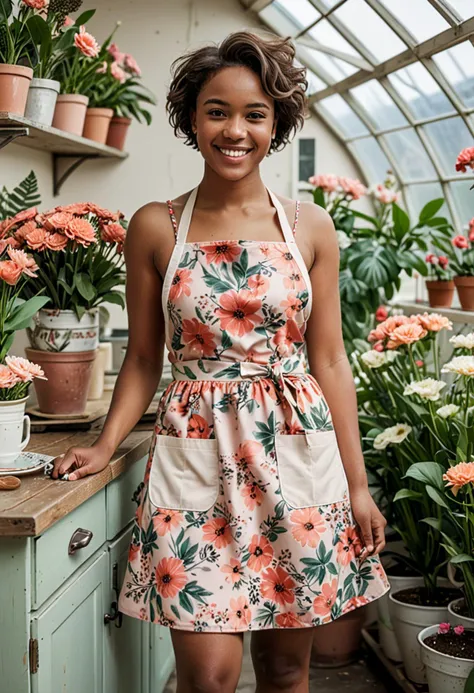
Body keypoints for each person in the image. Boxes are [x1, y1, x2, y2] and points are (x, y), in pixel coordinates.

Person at [52, 30, 389, 693]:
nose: (235, 130)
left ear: (277, 124)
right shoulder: (157, 226)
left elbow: (329, 359)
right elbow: (145, 357)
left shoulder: (311, 227)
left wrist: (357, 484)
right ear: (191, 117)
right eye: (217, 110)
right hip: (194, 457)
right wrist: (105, 442)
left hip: (298, 458)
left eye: (254, 114)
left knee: (288, 668)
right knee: (207, 675)